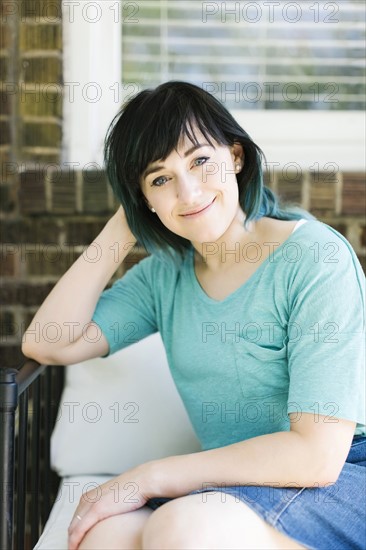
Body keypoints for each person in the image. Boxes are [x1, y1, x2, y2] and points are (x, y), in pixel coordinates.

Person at [22, 81, 365, 550]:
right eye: (160, 178)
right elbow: (47, 343)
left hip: (341, 478)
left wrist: (148, 476)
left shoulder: (314, 258)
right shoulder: (165, 277)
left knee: (183, 528)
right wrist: (125, 224)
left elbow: (317, 456)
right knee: (105, 535)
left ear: (237, 157)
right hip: (238, 488)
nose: (188, 192)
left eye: (201, 160)